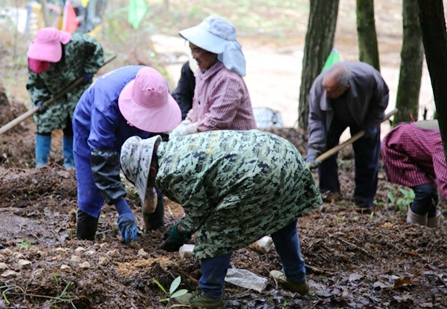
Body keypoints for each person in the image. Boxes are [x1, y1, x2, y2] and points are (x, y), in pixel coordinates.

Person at [120, 130, 322, 308]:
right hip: (284, 154)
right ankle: (296, 277)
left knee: (217, 228)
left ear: (151, 170)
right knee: (282, 219)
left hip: (260, 174)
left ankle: (209, 293)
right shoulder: (177, 144)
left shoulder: (169, 173)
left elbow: (201, 213)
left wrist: (180, 231)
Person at [72, 65, 181, 242]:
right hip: (89, 126)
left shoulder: (157, 90)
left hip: (143, 121)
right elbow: (102, 159)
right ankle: (84, 242)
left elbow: (159, 143)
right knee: (90, 191)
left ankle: (155, 232)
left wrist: (150, 185)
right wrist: (122, 208)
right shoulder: (105, 105)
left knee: (153, 167)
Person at [305, 62, 389, 211]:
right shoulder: (319, 88)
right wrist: (313, 151)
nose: (325, 93)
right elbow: (316, 121)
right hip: (332, 116)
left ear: (345, 88)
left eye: (330, 90)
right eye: (325, 88)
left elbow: (381, 98)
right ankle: (329, 191)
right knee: (326, 151)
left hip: (364, 115)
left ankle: (364, 201)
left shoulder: (368, 78)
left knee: (367, 155)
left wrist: (373, 122)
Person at [27, 27, 104, 168]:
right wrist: (39, 99)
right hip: (51, 93)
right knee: (44, 121)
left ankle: (71, 165)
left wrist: (89, 68)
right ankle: (40, 164)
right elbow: (35, 83)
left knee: (73, 123)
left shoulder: (78, 42)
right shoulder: (35, 56)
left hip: (76, 88)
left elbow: (96, 48)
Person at [170, 15, 257, 136]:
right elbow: (198, 108)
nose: (194, 56)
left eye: (197, 50)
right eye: (192, 50)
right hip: (213, 142)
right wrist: (187, 122)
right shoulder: (202, 73)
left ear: (213, 50)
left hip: (237, 146)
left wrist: (190, 130)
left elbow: (217, 121)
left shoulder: (228, 80)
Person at [381, 120, 445, 227]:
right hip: (397, 149)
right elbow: (445, 184)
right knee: (425, 192)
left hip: (419, 152)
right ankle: (414, 231)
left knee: (432, 196)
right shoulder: (441, 146)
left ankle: (431, 231)